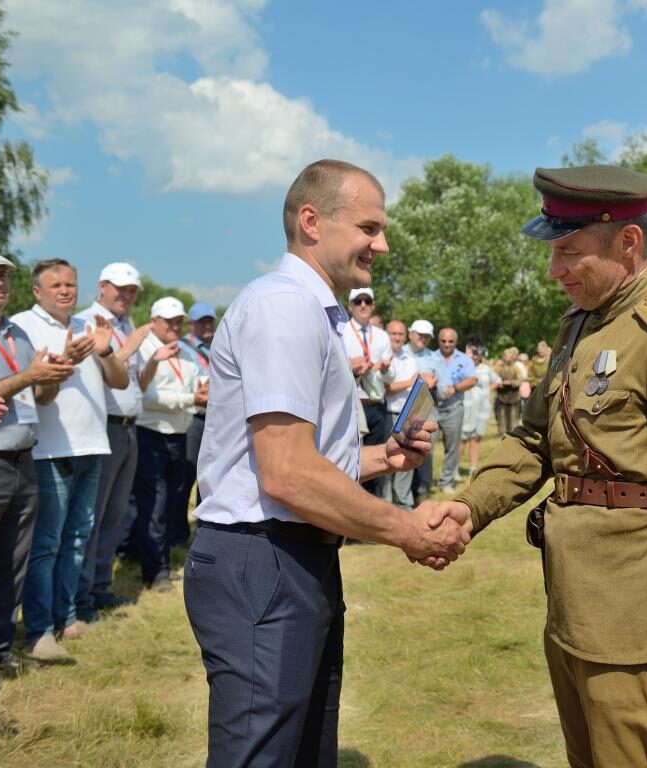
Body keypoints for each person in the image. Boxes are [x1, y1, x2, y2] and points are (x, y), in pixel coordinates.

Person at [428, 165, 647, 766]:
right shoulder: (580, 327)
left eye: (569, 252)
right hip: (575, 607)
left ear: (627, 242)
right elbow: (535, 441)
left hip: (637, 626)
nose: (554, 270)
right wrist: (470, 508)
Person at [183, 159, 467, 767]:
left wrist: (382, 457)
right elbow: (287, 473)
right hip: (264, 559)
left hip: (290, 557)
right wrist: (406, 530)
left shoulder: (310, 311)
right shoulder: (284, 307)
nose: (381, 245)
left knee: (304, 749)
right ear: (312, 222)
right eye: (369, 227)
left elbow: (300, 461)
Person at [11, 259, 130, 659]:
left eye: (70, 284)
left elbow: (119, 381)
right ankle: (40, 628)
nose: (65, 290)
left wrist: (105, 350)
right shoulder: (24, 326)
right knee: (46, 543)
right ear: (37, 291)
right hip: (50, 449)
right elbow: (34, 391)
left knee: (77, 538)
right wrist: (66, 361)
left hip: (92, 445)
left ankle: (67, 616)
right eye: (56, 285)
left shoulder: (87, 325)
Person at [0, 250, 74, 677]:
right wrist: (30, 377)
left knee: (11, 563)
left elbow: (38, 397)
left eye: (3, 275)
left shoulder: (17, 333)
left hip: (22, 457)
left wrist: (53, 378)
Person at [73, 263, 149, 623]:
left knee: (114, 514)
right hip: (103, 426)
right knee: (93, 515)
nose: (126, 295)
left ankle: (99, 585)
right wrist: (128, 348)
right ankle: (81, 594)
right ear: (102, 286)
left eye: (132, 290)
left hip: (128, 427)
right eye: (120, 288)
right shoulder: (86, 323)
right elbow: (95, 377)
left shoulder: (124, 325)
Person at [133, 297, 208, 590]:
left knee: (172, 501)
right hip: (150, 433)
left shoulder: (185, 350)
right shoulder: (144, 349)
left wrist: (202, 391)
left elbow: (197, 383)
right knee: (154, 503)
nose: (175, 326)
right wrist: (192, 399)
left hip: (179, 433)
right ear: (154, 321)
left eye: (179, 321)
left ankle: (159, 560)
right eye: (169, 321)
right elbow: (147, 397)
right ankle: (156, 571)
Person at [343, 287, 393, 498]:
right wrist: (351, 368)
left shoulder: (381, 336)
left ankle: (374, 503)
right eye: (358, 301)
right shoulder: (342, 332)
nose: (363, 305)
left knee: (378, 459)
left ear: (373, 305)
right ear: (350, 306)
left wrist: (385, 369)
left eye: (367, 301)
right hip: (354, 405)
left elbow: (390, 377)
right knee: (352, 459)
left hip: (377, 403)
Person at [181, 301, 217, 511]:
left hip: (215, 418)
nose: (207, 326)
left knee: (210, 476)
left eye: (210, 321)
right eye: (201, 322)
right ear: (190, 324)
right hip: (193, 417)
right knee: (186, 475)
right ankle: (179, 525)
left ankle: (204, 520)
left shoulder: (219, 346)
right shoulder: (182, 347)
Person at [382, 319, 420, 509]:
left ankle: (404, 502)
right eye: (393, 334)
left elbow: (415, 386)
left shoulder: (410, 358)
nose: (397, 338)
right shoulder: (383, 357)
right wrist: (408, 383)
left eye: (400, 334)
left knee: (406, 458)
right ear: (386, 334)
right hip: (388, 412)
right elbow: (385, 390)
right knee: (386, 458)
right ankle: (386, 503)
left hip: (407, 414)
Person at [435, 327, 477, 494]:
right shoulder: (431, 357)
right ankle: (423, 482)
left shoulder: (464, 359)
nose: (447, 344)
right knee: (425, 446)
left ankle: (446, 481)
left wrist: (456, 388)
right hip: (432, 407)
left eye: (450, 341)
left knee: (452, 447)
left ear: (456, 342)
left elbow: (472, 380)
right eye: (443, 341)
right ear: (438, 341)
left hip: (454, 408)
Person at [407, 319, 441, 501]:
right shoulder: (399, 353)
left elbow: (444, 386)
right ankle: (405, 492)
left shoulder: (434, 357)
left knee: (426, 446)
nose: (424, 339)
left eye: (427, 336)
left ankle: (423, 487)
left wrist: (437, 382)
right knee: (403, 447)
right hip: (402, 407)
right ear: (410, 334)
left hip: (426, 406)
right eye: (420, 335)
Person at [461, 345, 499, 478]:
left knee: (476, 437)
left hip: (482, 408)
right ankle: (454, 469)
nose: (476, 356)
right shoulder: (463, 367)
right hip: (466, 406)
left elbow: (497, 380)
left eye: (478, 353)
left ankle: (473, 467)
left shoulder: (485, 368)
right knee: (462, 438)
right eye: (473, 353)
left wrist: (487, 390)